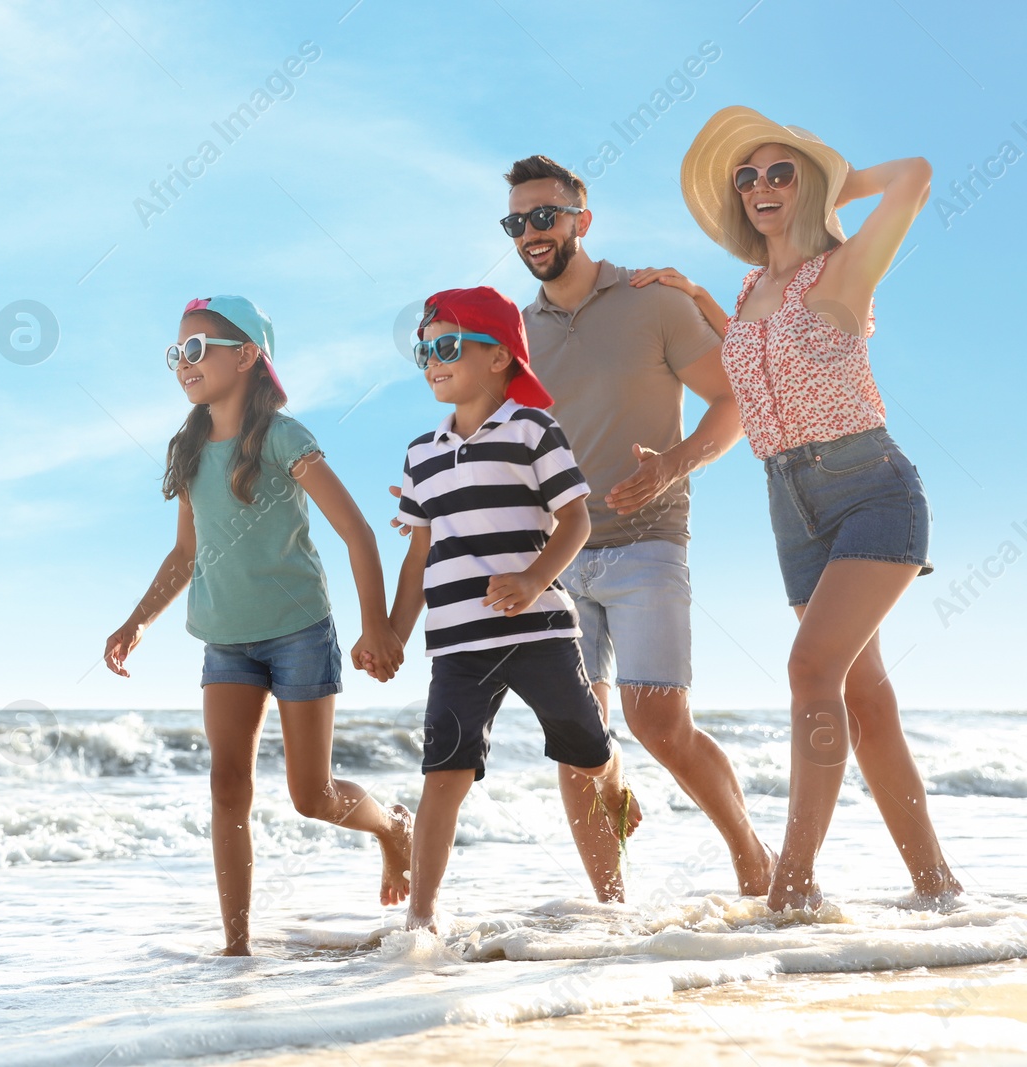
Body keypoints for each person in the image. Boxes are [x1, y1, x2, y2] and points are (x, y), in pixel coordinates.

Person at [679, 106, 962, 911]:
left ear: (808, 187)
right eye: (747, 176)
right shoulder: (748, 288)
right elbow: (752, 363)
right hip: (789, 503)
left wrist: (835, 182)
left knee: (811, 670)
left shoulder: (841, 271)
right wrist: (694, 294)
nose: (761, 186)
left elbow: (913, 174)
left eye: (781, 172)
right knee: (864, 695)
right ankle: (937, 884)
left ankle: (790, 888)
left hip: (870, 487)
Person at [102, 295, 413, 954]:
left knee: (312, 794)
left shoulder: (282, 437)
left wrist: (377, 626)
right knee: (226, 784)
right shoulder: (186, 448)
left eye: (196, 349)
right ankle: (236, 946)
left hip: (300, 631)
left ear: (245, 356)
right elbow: (185, 553)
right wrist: (137, 622)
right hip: (226, 639)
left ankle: (390, 827)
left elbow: (356, 531)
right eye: (175, 353)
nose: (182, 363)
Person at [498, 154, 773, 900]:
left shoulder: (652, 301)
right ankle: (612, 915)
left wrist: (672, 465)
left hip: (648, 537)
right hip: (555, 557)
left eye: (545, 216)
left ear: (581, 221)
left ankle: (757, 862)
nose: (532, 232)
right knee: (578, 741)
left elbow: (732, 403)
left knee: (658, 721)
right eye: (517, 222)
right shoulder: (514, 335)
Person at [383, 286, 639, 931]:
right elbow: (418, 557)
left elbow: (576, 521)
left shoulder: (533, 430)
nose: (431, 360)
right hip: (457, 644)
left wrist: (531, 580)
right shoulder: (419, 453)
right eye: (423, 351)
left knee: (584, 753)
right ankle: (422, 919)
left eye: (446, 345)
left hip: (542, 631)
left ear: (498, 357)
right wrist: (391, 632)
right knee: (446, 770)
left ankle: (614, 896)